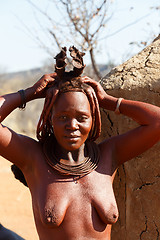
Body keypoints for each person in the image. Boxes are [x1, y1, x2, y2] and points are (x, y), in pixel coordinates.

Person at [0, 46, 160, 240]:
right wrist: (30, 93)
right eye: (62, 117)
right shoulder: (33, 158)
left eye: (82, 117)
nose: (72, 125)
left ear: (94, 119)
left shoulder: (108, 156)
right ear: (50, 118)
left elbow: (156, 122)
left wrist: (108, 101)